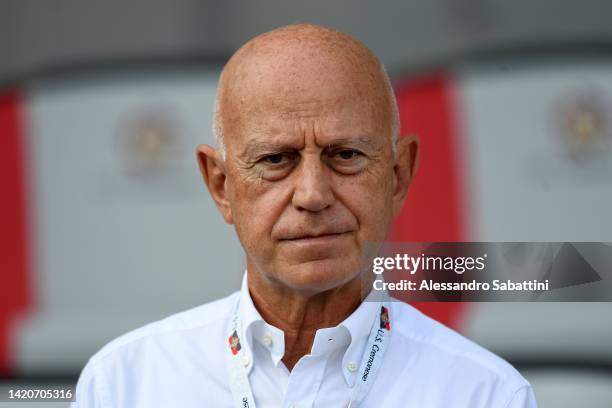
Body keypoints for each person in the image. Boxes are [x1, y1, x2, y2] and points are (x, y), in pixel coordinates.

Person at [73, 24, 537, 407]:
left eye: (346, 155)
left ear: (398, 175)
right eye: (276, 160)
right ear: (220, 184)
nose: (313, 194)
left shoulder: (485, 394)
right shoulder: (124, 384)